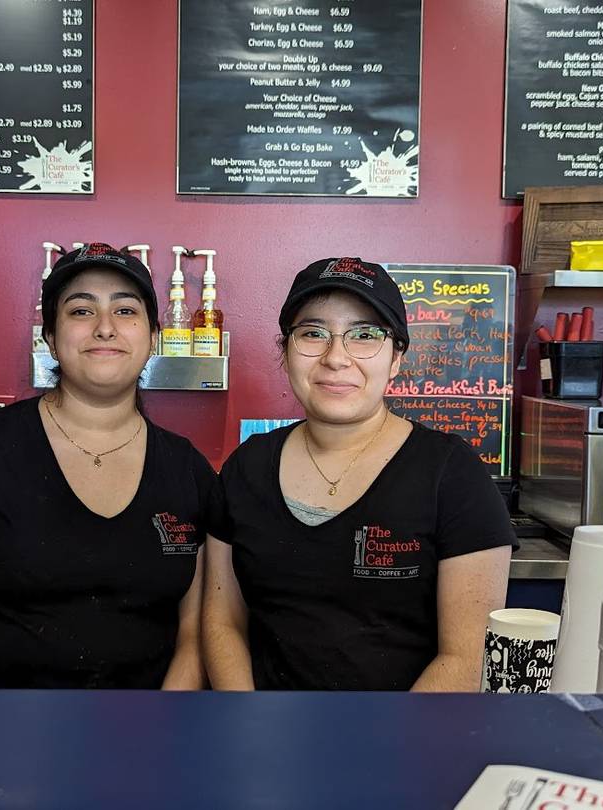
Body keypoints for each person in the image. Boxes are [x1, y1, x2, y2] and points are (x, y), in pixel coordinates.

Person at [0, 243, 220, 689]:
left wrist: (161, 731)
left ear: (153, 337)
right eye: (80, 311)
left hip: (146, 732)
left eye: (126, 311)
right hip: (4, 727)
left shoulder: (187, 469)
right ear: (50, 337)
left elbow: (194, 636)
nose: (105, 329)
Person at [202, 257, 515, 691]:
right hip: (266, 737)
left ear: (396, 358)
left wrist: (382, 750)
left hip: (402, 743)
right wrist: (252, 724)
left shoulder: (452, 474)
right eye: (312, 333)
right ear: (286, 351)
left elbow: (466, 656)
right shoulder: (246, 468)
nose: (336, 358)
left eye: (365, 335)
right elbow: (222, 623)